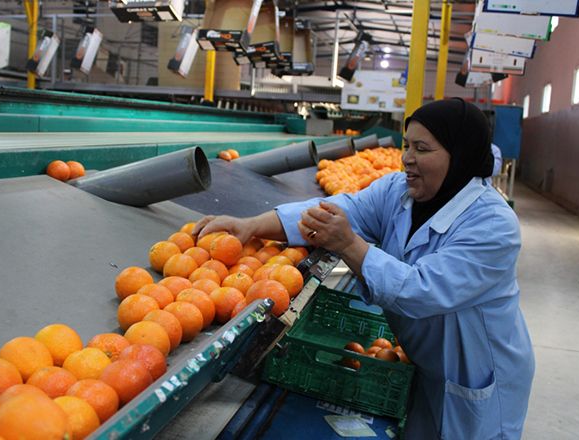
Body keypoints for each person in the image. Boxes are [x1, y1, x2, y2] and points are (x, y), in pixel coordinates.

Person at [193, 98, 535, 439]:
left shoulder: (493, 224)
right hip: (427, 364)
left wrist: (349, 244)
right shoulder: (399, 191)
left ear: (457, 156)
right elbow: (334, 209)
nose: (407, 158)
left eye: (422, 148)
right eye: (406, 145)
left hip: (479, 374)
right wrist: (252, 226)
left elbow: (422, 291)